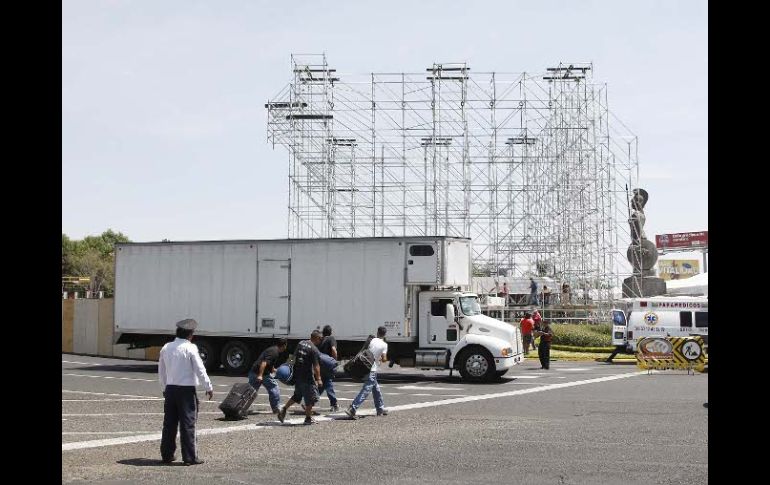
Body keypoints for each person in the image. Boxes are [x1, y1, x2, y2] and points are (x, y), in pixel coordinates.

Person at [158, 318, 214, 466]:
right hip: (186, 390)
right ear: (190, 334)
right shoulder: (190, 348)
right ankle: (190, 457)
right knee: (188, 423)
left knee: (169, 424)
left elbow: (161, 371)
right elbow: (199, 369)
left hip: (170, 389)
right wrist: (208, 386)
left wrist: (164, 388)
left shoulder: (166, 347)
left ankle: (167, 455)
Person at [277, 330, 323, 425]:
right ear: (317, 338)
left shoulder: (301, 343)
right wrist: (319, 379)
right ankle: (308, 418)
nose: (321, 341)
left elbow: (293, 356)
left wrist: (288, 366)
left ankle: (284, 409)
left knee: (297, 395)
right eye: (320, 339)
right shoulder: (313, 349)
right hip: (307, 377)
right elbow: (316, 366)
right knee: (310, 398)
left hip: (297, 375)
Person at [345, 326, 389, 418]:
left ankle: (380, 409)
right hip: (372, 369)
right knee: (366, 390)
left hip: (365, 366)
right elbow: (384, 359)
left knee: (376, 389)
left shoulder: (372, 340)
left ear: (377, 332)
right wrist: (381, 357)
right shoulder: (384, 345)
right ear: (384, 334)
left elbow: (366, 350)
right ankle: (352, 408)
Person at [248, 338, 288, 414]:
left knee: (251, 392)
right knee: (274, 388)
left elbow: (270, 365)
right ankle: (276, 408)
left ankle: (241, 406)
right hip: (261, 374)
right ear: (284, 345)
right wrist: (260, 375)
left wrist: (276, 370)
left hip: (253, 372)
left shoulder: (273, 349)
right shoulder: (274, 352)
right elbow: (264, 363)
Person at [317, 325, 339, 412]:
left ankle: (311, 401)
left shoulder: (321, 340)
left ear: (323, 332)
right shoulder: (331, 339)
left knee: (322, 384)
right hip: (328, 364)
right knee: (328, 383)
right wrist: (334, 361)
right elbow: (334, 350)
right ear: (330, 332)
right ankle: (334, 404)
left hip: (321, 364)